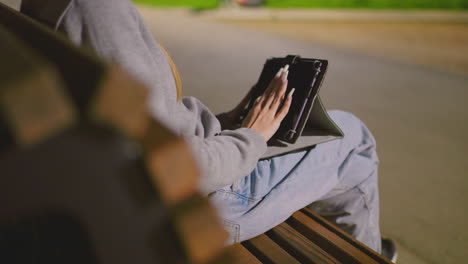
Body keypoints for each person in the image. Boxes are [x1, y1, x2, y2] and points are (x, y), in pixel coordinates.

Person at [22, 0, 396, 260]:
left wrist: (234, 121)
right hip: (199, 205)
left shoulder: (55, 6)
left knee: (311, 140)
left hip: (149, 185)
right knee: (354, 138)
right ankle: (372, 256)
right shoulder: (97, 12)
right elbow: (171, 165)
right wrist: (251, 136)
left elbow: (151, 126)